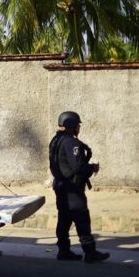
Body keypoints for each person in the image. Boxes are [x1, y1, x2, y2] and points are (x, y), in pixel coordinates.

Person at [49, 111, 110, 263]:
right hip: (72, 188)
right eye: (77, 125)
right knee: (82, 218)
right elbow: (78, 167)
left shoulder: (55, 140)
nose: (79, 127)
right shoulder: (71, 142)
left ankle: (63, 251)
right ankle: (90, 252)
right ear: (71, 126)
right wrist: (92, 168)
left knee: (64, 218)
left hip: (60, 185)